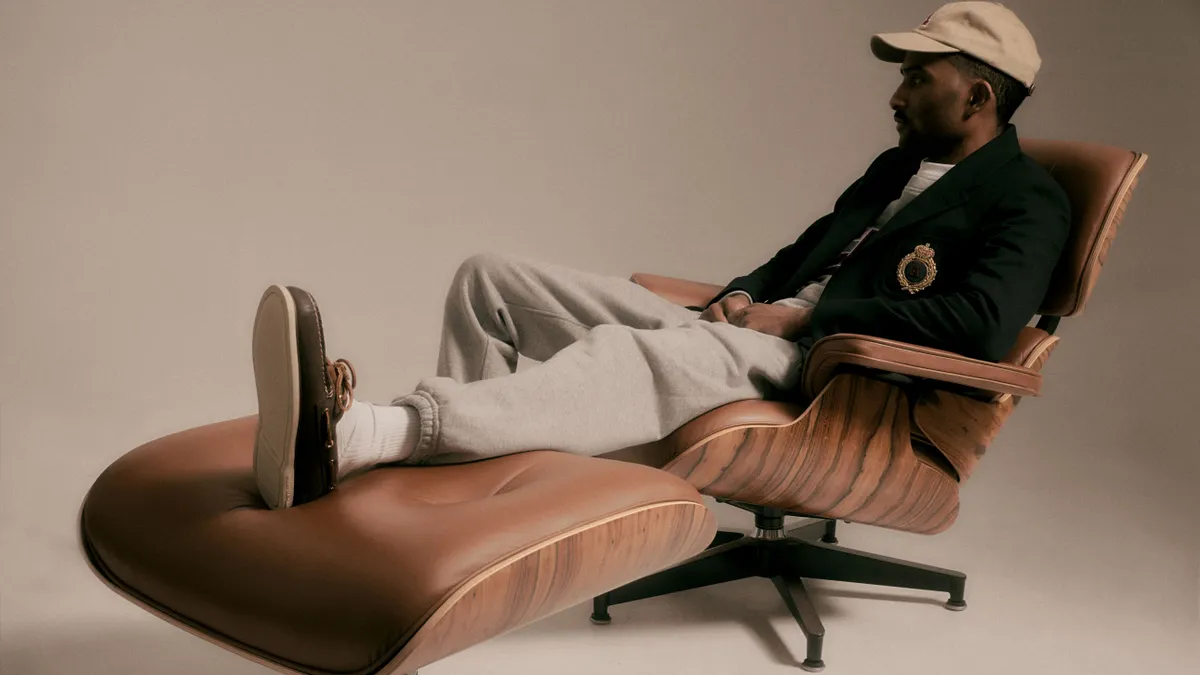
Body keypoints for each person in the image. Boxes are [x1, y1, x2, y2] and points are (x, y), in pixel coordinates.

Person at [251, 1, 1071, 509]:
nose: (894, 93)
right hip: (765, 329)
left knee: (625, 354)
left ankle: (377, 434)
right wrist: (746, 296)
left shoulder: (1028, 198)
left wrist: (811, 318)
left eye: (916, 77)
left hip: (837, 371)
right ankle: (454, 491)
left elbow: (983, 326)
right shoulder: (898, 165)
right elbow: (803, 250)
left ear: (978, 95)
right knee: (488, 279)